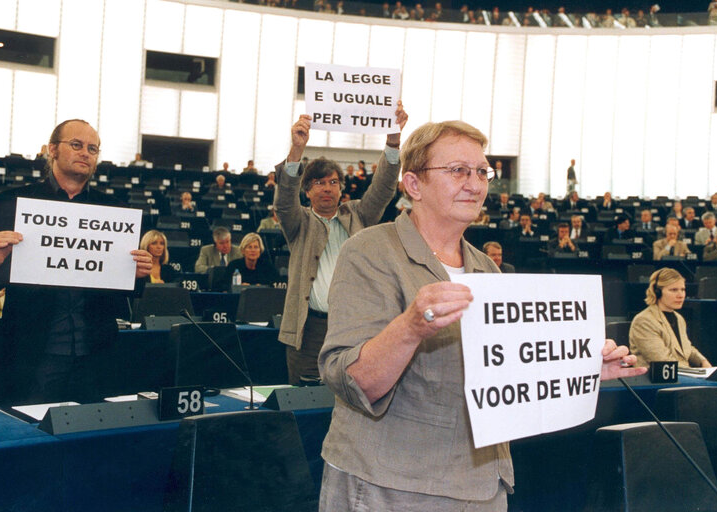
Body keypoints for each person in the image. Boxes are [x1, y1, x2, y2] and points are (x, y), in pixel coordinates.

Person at [317, 120, 645, 511]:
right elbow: (353, 381)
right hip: (391, 486)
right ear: (413, 185)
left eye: (481, 172)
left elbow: (503, 371)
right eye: (458, 171)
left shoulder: (486, 268)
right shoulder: (369, 252)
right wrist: (411, 327)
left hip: (484, 484)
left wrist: (576, 367)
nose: (475, 184)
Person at [0, 119, 153, 404]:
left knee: (91, 441)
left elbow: (127, 291)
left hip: (95, 351)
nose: (86, 153)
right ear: (53, 150)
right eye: (77, 145)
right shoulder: (14, 201)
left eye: (93, 148)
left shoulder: (114, 211)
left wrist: (138, 273)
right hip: (32, 352)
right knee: (31, 440)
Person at [276, 102, 407, 385]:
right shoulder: (299, 223)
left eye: (333, 182)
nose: (327, 188)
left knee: (353, 401)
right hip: (308, 330)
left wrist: (393, 142)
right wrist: (296, 150)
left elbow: (384, 188)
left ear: (341, 189)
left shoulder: (359, 214)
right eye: (320, 183)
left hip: (355, 328)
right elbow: (284, 200)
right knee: (304, 404)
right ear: (307, 191)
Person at [629, 269, 712, 368]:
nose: (681, 295)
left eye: (683, 290)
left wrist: (703, 361)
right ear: (657, 292)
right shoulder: (644, 321)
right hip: (657, 380)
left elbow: (686, 348)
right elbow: (662, 360)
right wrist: (696, 373)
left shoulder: (679, 318)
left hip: (682, 375)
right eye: (674, 290)